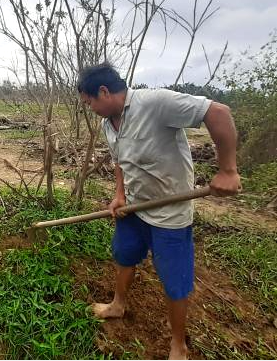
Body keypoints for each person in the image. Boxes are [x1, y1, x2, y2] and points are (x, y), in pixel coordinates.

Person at [77, 63, 240, 360]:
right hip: (135, 208)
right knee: (124, 255)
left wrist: (228, 170)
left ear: (103, 91)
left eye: (90, 103)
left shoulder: (155, 103)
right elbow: (120, 162)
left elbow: (218, 112)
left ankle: (179, 344)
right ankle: (118, 305)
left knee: (174, 280)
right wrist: (119, 195)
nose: (91, 110)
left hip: (170, 215)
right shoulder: (107, 124)